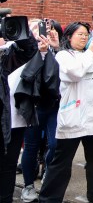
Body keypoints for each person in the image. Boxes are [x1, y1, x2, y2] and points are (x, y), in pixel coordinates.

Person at [38, 22, 93, 203]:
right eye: (80, 34)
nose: (84, 37)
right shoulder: (63, 55)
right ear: (69, 37)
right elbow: (75, 72)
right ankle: (49, 198)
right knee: (61, 162)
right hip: (73, 115)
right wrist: (91, 53)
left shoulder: (88, 54)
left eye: (86, 34)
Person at [17, 19, 62, 202]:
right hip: (34, 106)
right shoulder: (24, 51)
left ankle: (47, 174)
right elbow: (26, 76)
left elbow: (63, 72)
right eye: (36, 29)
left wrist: (56, 48)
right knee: (31, 146)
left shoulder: (58, 50)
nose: (42, 32)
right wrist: (40, 52)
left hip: (53, 105)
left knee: (54, 144)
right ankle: (28, 185)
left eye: (45, 28)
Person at [0, 21, 36, 203]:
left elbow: (29, 51)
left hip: (9, 122)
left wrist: (19, 29)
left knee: (7, 168)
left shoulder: (6, 54)